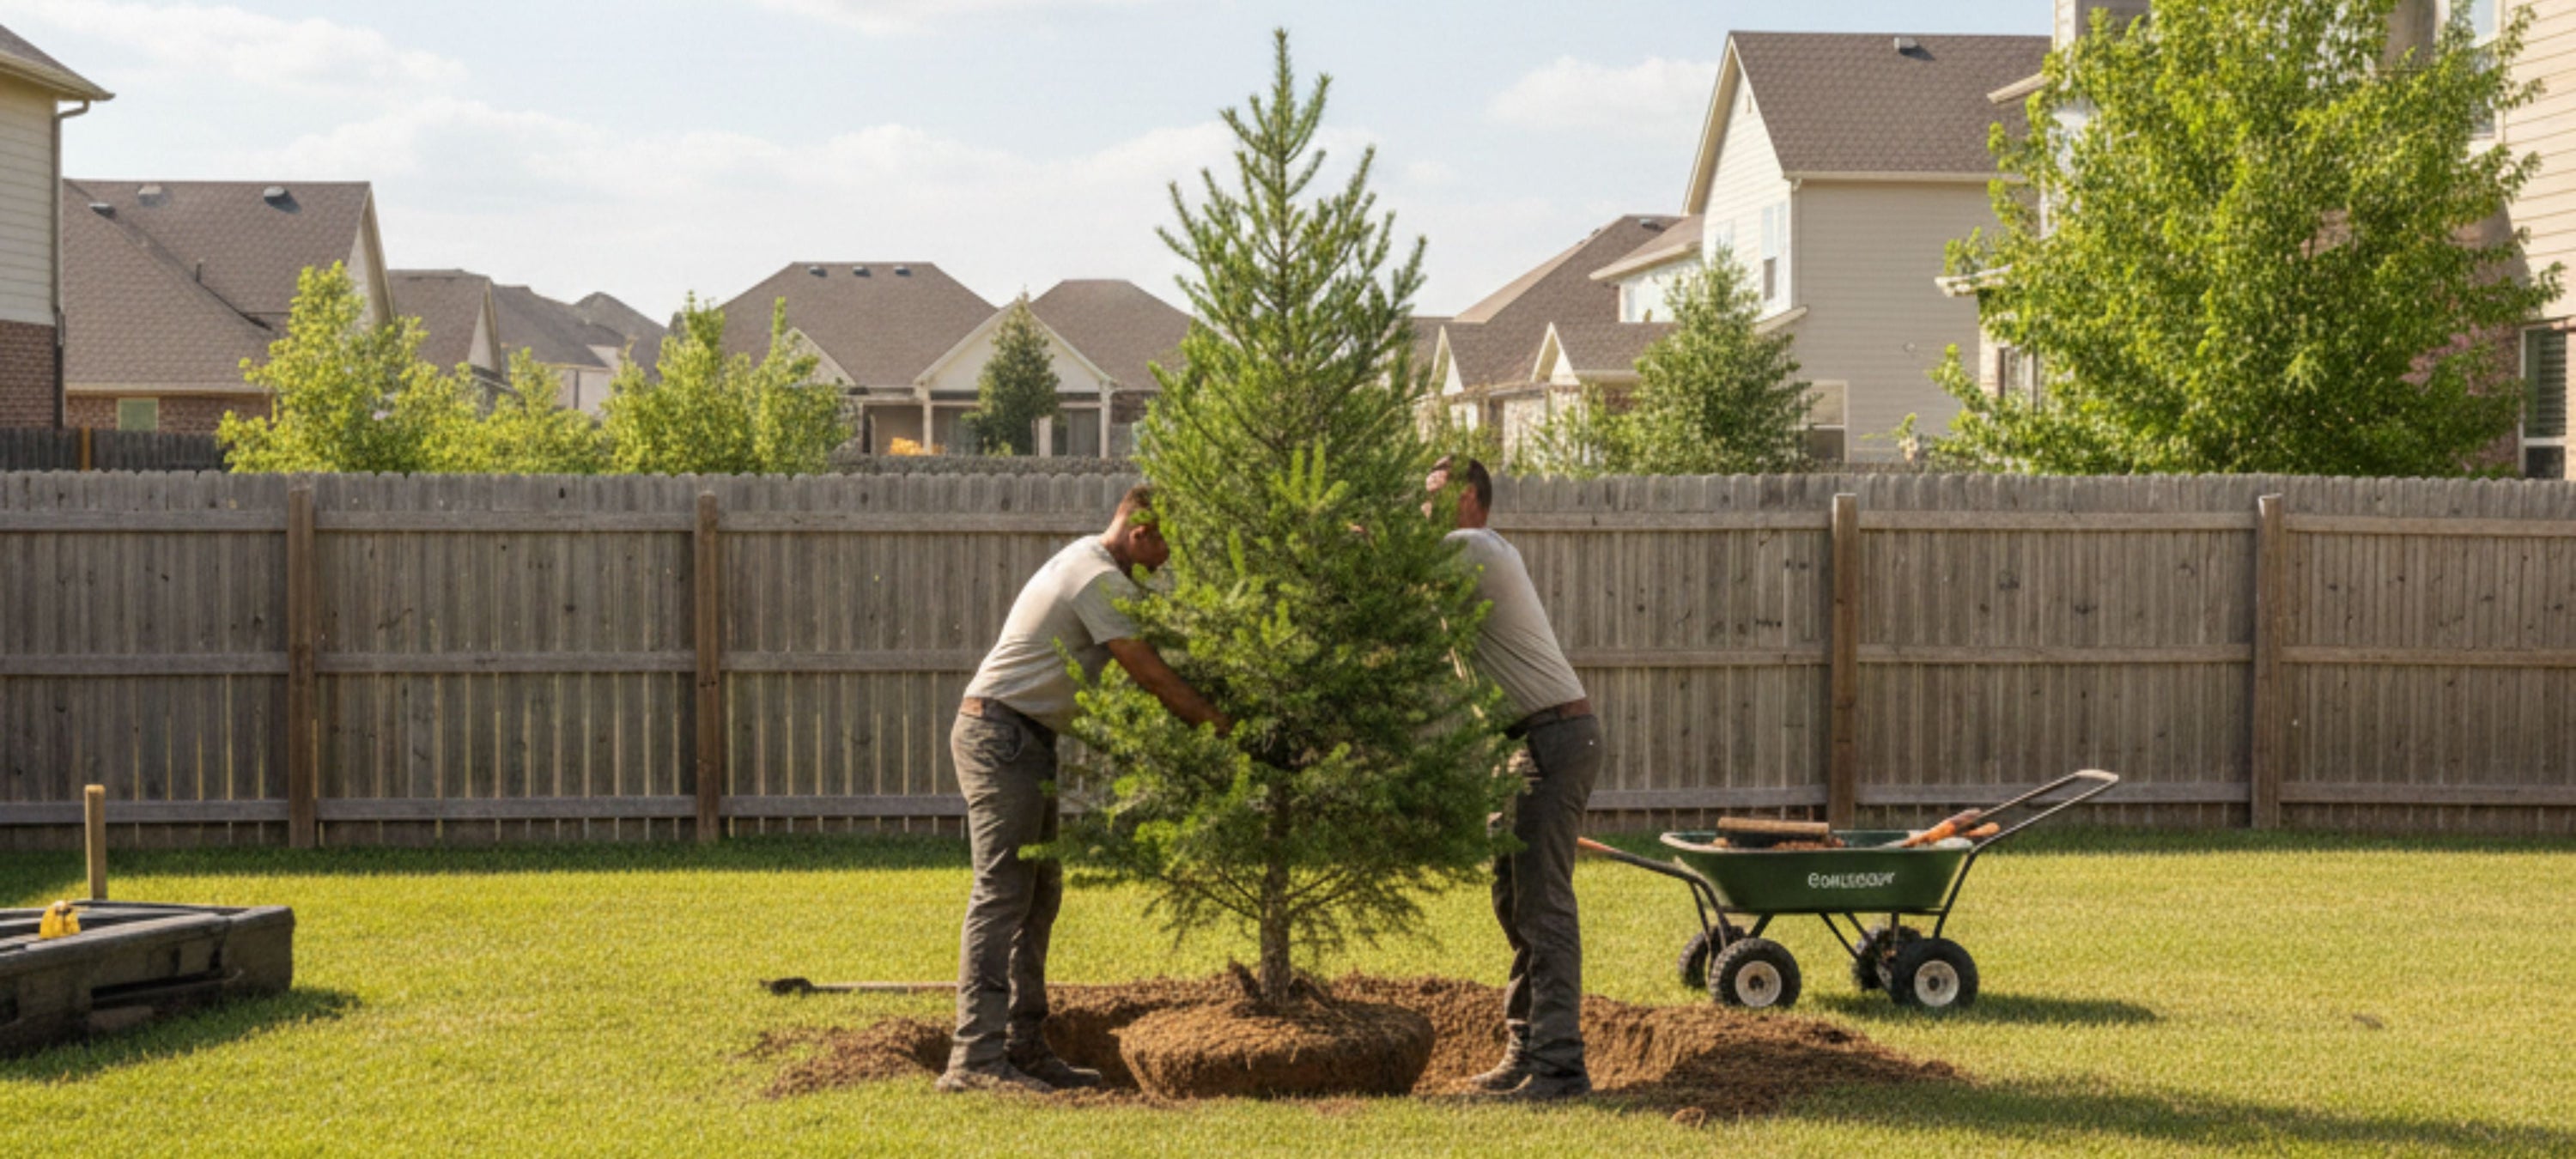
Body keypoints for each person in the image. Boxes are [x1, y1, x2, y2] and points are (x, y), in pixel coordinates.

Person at [939, 484, 1225, 1094]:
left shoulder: (1088, 563)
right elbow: (1148, 672)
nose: (1164, 563)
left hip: (1021, 737)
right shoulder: (1096, 578)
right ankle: (974, 1061)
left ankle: (1022, 1046)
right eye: (1162, 548)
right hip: (999, 734)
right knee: (1002, 893)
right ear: (1140, 529)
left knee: (1038, 894)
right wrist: (1229, 730)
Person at [1428, 455, 1601, 1101]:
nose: (1423, 507)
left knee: (1544, 905)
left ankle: (1561, 1067)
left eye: (1434, 493)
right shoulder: (1467, 552)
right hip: (1528, 742)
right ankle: (1526, 1048)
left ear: (1469, 496)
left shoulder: (1470, 546)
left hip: (1552, 739)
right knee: (1513, 900)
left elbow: (1388, 570)